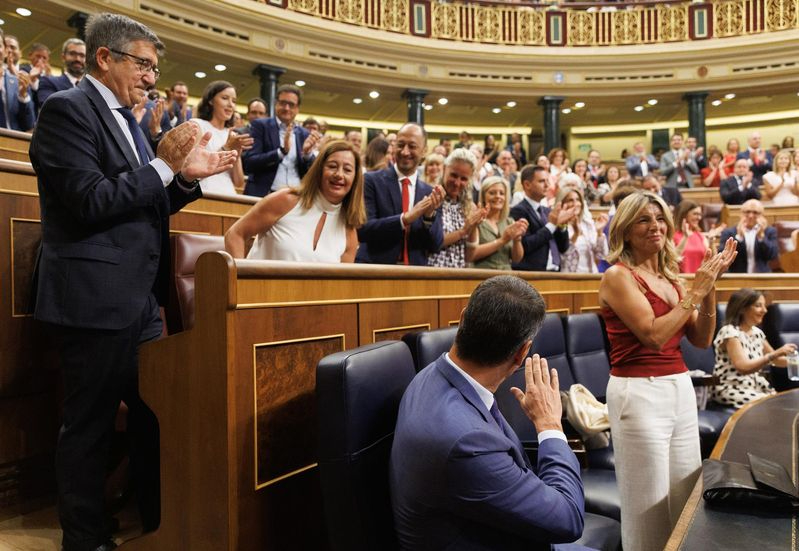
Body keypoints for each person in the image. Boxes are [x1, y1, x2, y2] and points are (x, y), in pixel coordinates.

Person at [29, 13, 238, 551]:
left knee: (159, 416)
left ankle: (159, 524)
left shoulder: (130, 122)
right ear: (105, 57)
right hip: (92, 300)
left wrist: (186, 178)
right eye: (144, 64)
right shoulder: (66, 110)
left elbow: (146, 202)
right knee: (90, 429)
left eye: (153, 67)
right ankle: (85, 538)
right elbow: (90, 200)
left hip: (139, 303)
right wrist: (166, 168)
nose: (152, 77)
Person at [390, 275, 585, 550]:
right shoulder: (467, 443)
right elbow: (569, 519)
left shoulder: (429, 374)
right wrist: (549, 424)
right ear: (522, 353)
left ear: (463, 319)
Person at [598, 191, 737, 551]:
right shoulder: (618, 276)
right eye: (644, 219)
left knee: (685, 496)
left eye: (660, 219)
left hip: (679, 386)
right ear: (626, 230)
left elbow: (702, 339)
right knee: (647, 508)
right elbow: (654, 336)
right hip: (638, 392)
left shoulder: (673, 279)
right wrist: (696, 291)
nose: (655, 226)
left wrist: (709, 290)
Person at [225, 140, 363, 263]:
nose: (339, 174)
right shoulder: (286, 200)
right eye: (332, 166)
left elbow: (340, 284)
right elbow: (235, 234)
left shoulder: (349, 230)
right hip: (261, 291)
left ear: (355, 179)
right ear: (319, 170)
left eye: (347, 170)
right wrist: (240, 282)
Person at [356, 122, 444, 265]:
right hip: (375, 271)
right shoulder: (371, 181)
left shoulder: (430, 192)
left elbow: (436, 245)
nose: (405, 151)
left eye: (412, 146)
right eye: (400, 145)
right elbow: (363, 230)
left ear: (424, 151)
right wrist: (404, 219)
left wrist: (428, 218)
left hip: (413, 275)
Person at [712, 288, 797, 409]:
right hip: (732, 388)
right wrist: (775, 354)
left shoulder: (757, 333)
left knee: (785, 404)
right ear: (742, 309)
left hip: (755, 387)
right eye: (758, 306)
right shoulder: (730, 332)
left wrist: (796, 362)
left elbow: (776, 361)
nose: (764, 310)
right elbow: (743, 367)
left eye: (764, 306)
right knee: (774, 405)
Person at [242, 83, 321, 197]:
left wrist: (307, 155)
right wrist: (281, 152)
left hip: (296, 196)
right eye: (283, 103)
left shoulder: (304, 134)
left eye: (291, 105)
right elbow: (250, 163)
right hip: (264, 194)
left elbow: (311, 173)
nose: (286, 108)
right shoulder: (260, 126)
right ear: (276, 104)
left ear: (297, 108)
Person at [510, 165, 577, 271]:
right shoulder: (518, 211)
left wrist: (562, 225)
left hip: (555, 272)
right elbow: (525, 245)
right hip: (532, 274)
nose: (547, 185)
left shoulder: (548, 211)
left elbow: (563, 248)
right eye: (542, 181)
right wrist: (551, 225)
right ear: (527, 184)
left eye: (547, 181)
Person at [427, 149, 486, 268]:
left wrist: (473, 227)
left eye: (463, 179)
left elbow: (469, 257)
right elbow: (430, 243)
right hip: (431, 273)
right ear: (444, 169)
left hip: (458, 277)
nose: (457, 183)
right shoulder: (430, 198)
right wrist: (463, 231)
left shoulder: (470, 207)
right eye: (453, 175)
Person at [193, 80, 253, 194]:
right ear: (211, 100)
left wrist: (237, 157)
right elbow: (193, 169)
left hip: (228, 195)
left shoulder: (232, 135)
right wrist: (226, 147)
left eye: (234, 101)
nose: (231, 104)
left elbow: (239, 183)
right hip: (202, 193)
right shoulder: (197, 125)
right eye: (225, 98)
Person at [469, 176, 527, 270]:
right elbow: (471, 255)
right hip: (482, 275)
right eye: (492, 193)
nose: (498, 196)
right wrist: (502, 240)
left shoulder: (510, 222)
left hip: (506, 277)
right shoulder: (476, 221)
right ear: (483, 196)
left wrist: (517, 239)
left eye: (502, 193)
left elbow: (516, 259)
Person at [556, 186, 608, 273]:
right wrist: (576, 234)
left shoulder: (587, 224)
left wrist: (599, 232)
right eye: (570, 200)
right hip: (569, 278)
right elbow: (564, 258)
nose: (575, 203)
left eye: (578, 200)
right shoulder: (559, 227)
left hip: (591, 275)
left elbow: (601, 254)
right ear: (562, 203)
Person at [719, 198, 778, 273]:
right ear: (741, 214)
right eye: (747, 212)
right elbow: (723, 257)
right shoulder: (729, 232)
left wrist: (761, 237)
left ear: (762, 215)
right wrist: (739, 237)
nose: (750, 216)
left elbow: (773, 255)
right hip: (737, 277)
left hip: (762, 277)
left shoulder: (769, 231)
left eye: (755, 212)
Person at [673, 200, 725, 274]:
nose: (699, 218)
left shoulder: (700, 236)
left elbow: (712, 261)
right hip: (682, 280)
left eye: (700, 214)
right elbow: (672, 259)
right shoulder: (673, 236)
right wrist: (685, 237)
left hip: (700, 281)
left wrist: (711, 241)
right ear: (684, 215)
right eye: (695, 214)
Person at [0, 29, 35, 131]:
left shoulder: (19, 82)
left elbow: (29, 125)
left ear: (6, 51)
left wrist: (23, 96)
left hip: (12, 144)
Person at [37, 38, 86, 105]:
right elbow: (49, 108)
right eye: (72, 54)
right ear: (63, 57)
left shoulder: (94, 88)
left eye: (82, 55)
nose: (77, 59)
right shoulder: (49, 82)